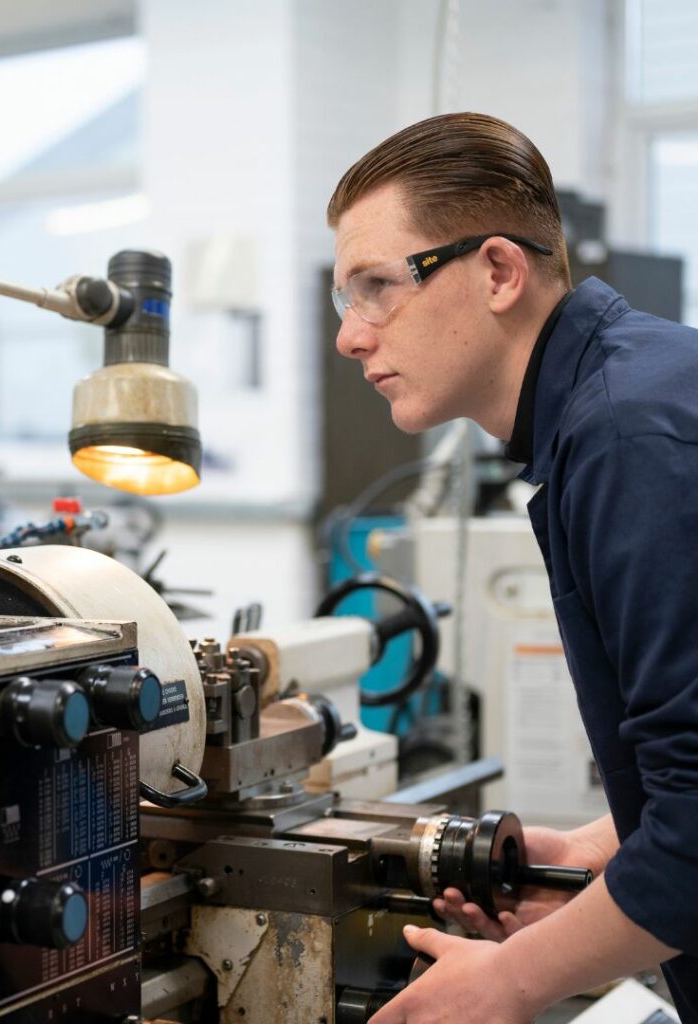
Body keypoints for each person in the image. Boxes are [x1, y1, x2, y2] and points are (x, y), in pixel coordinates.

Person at [328, 112, 698, 1023]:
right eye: (346, 298)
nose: (350, 337)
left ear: (498, 271)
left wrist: (509, 981)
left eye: (377, 287)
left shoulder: (625, 433)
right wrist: (596, 853)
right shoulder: (619, 401)